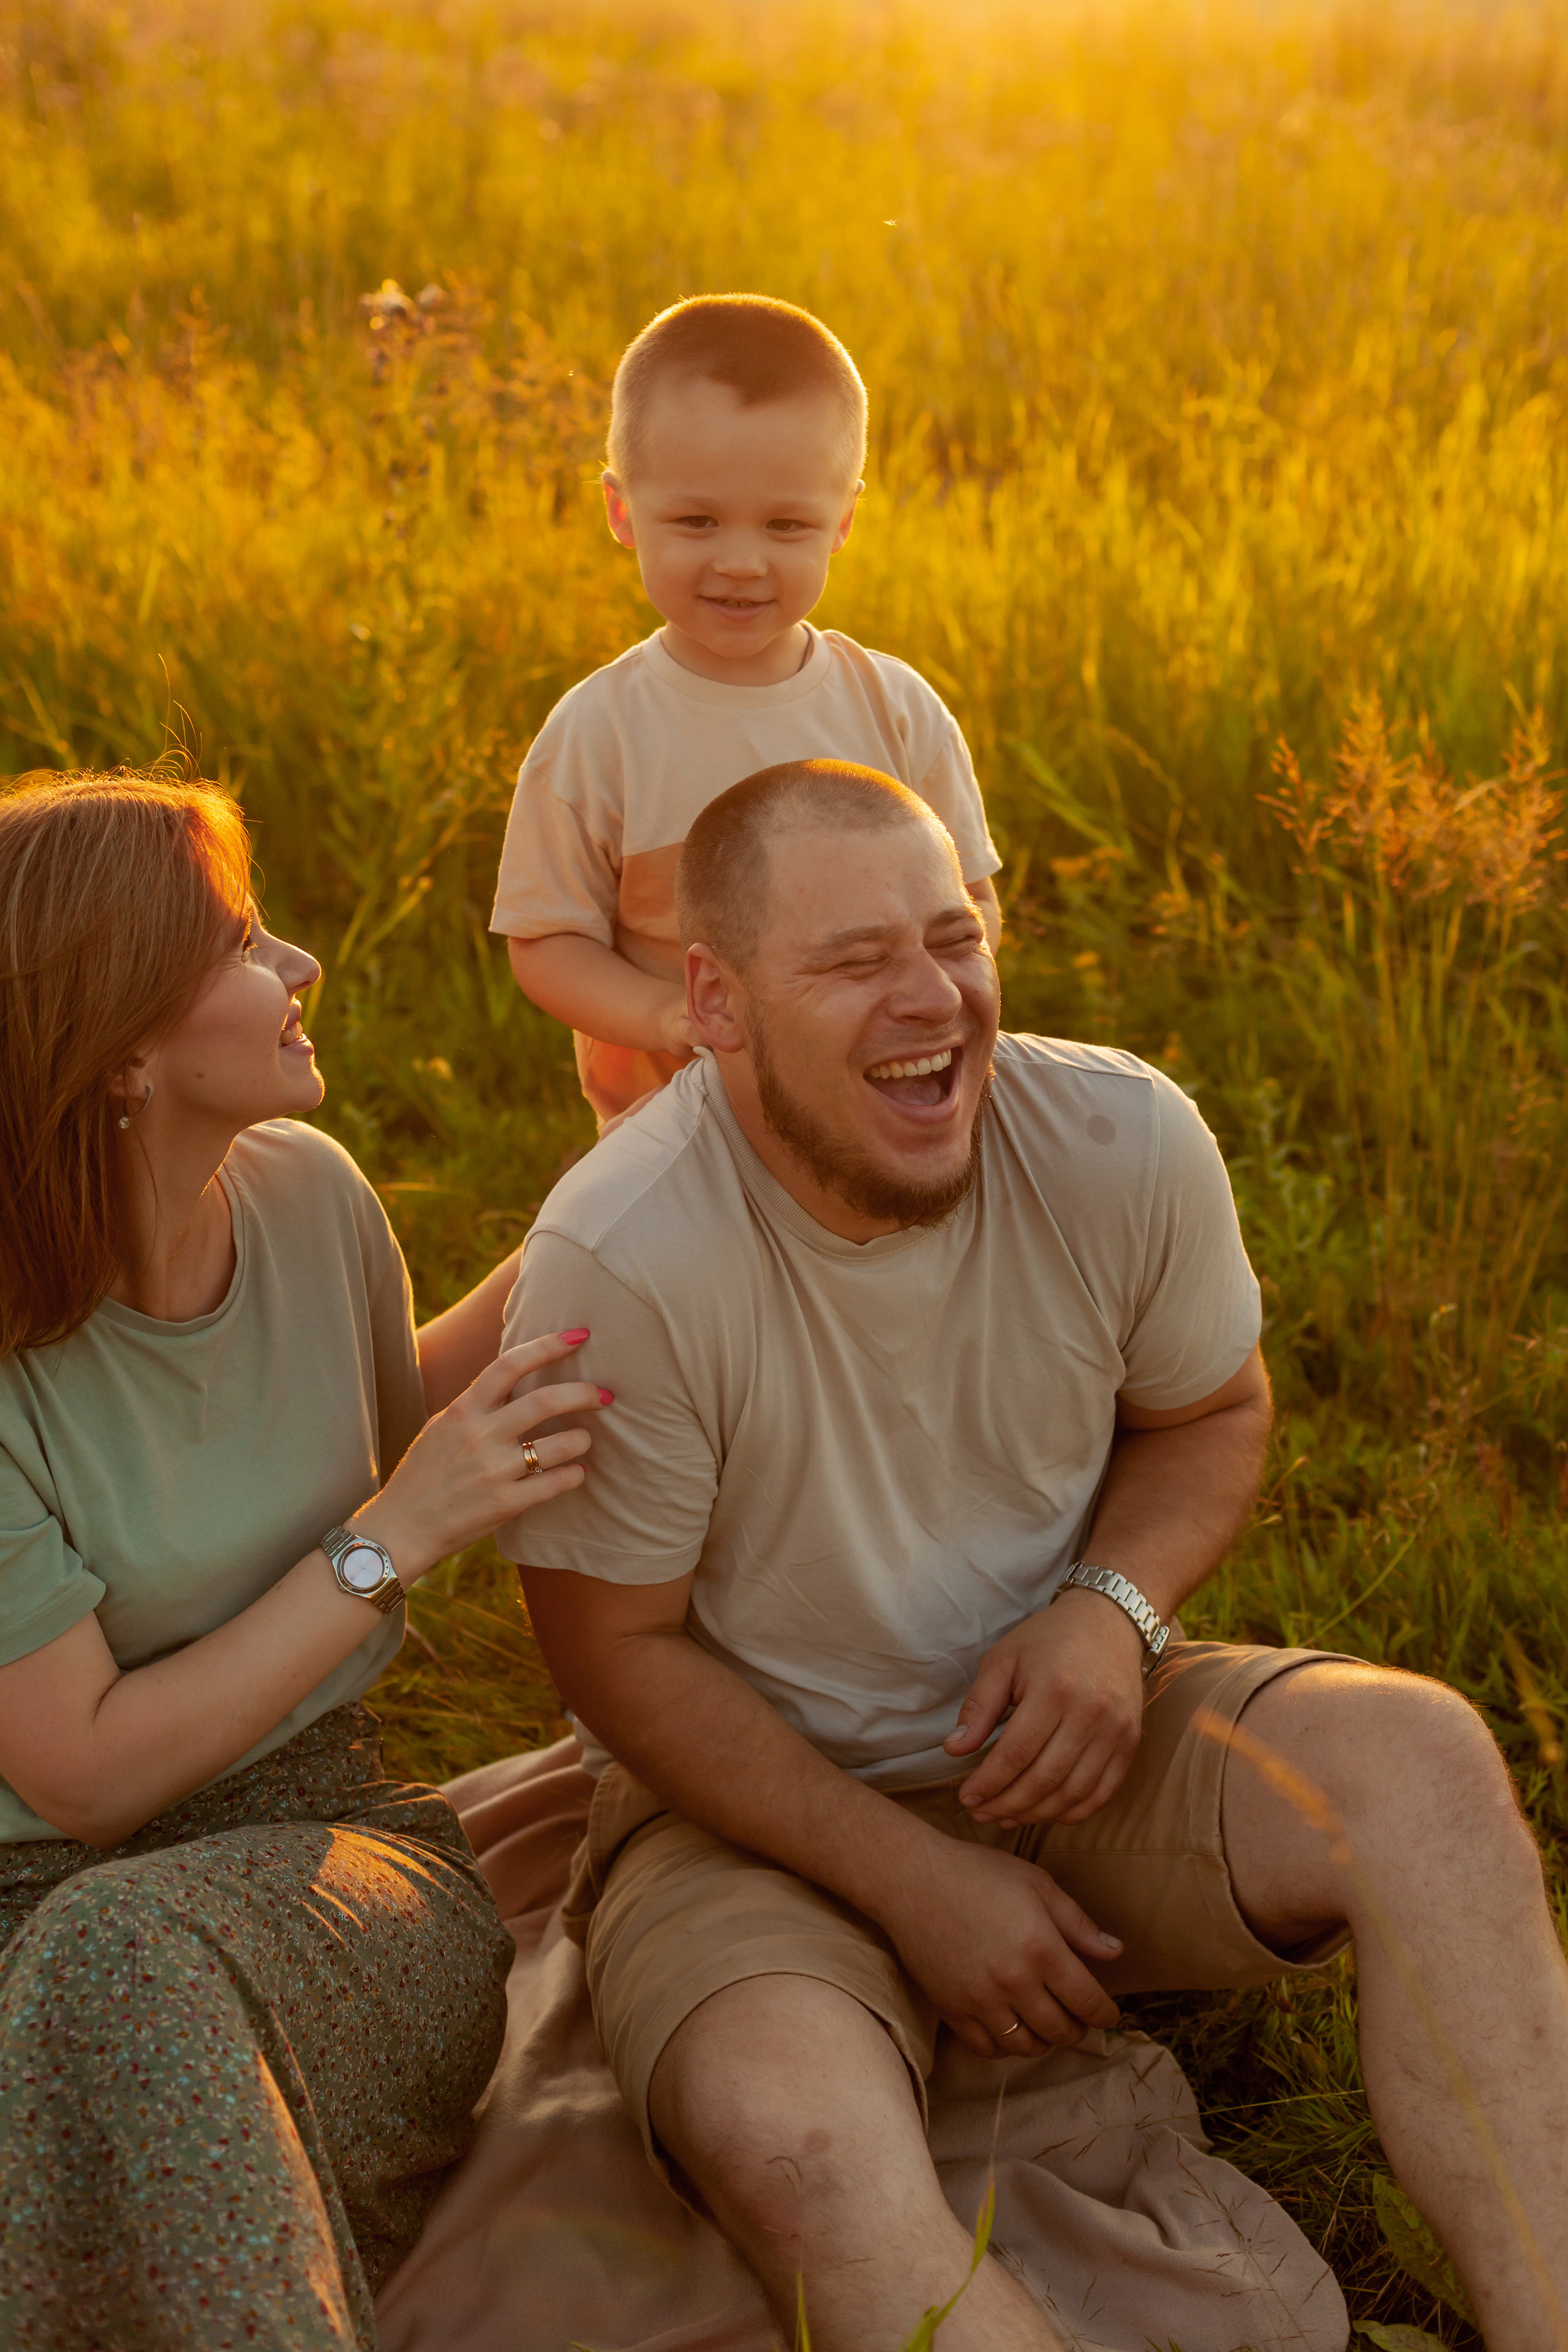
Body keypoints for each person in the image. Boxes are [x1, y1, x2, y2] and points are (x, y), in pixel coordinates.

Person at [504, 758, 1568, 2352]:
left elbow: (1212, 1409)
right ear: (713, 1006)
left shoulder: (1120, 1139)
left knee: (1420, 1758)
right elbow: (611, 1654)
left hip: (1075, 1749)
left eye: (955, 935)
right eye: (857, 961)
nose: (934, 998)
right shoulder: (626, 1258)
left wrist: (1111, 1607)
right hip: (746, 1825)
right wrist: (918, 1886)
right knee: (793, 2138)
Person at [0, 770, 611, 2351]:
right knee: (97, 1963)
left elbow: (380, 1428)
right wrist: (392, 1539)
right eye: (245, 942)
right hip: (29, 1907)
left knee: (116, 1965)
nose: (303, 969)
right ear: (123, 1045)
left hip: (339, 1858)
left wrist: (616, 1192)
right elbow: (78, 1777)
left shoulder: (314, 1204)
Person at [491, 292, 1003, 1129]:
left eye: (786, 525)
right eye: (695, 521)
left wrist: (920, 1008)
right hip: (677, 1129)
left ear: (842, 523)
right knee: (578, 1260)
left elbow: (970, 911)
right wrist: (670, 1017)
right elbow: (548, 943)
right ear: (622, 513)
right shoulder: (600, 733)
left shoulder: (895, 710)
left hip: (875, 1113)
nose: (740, 561)